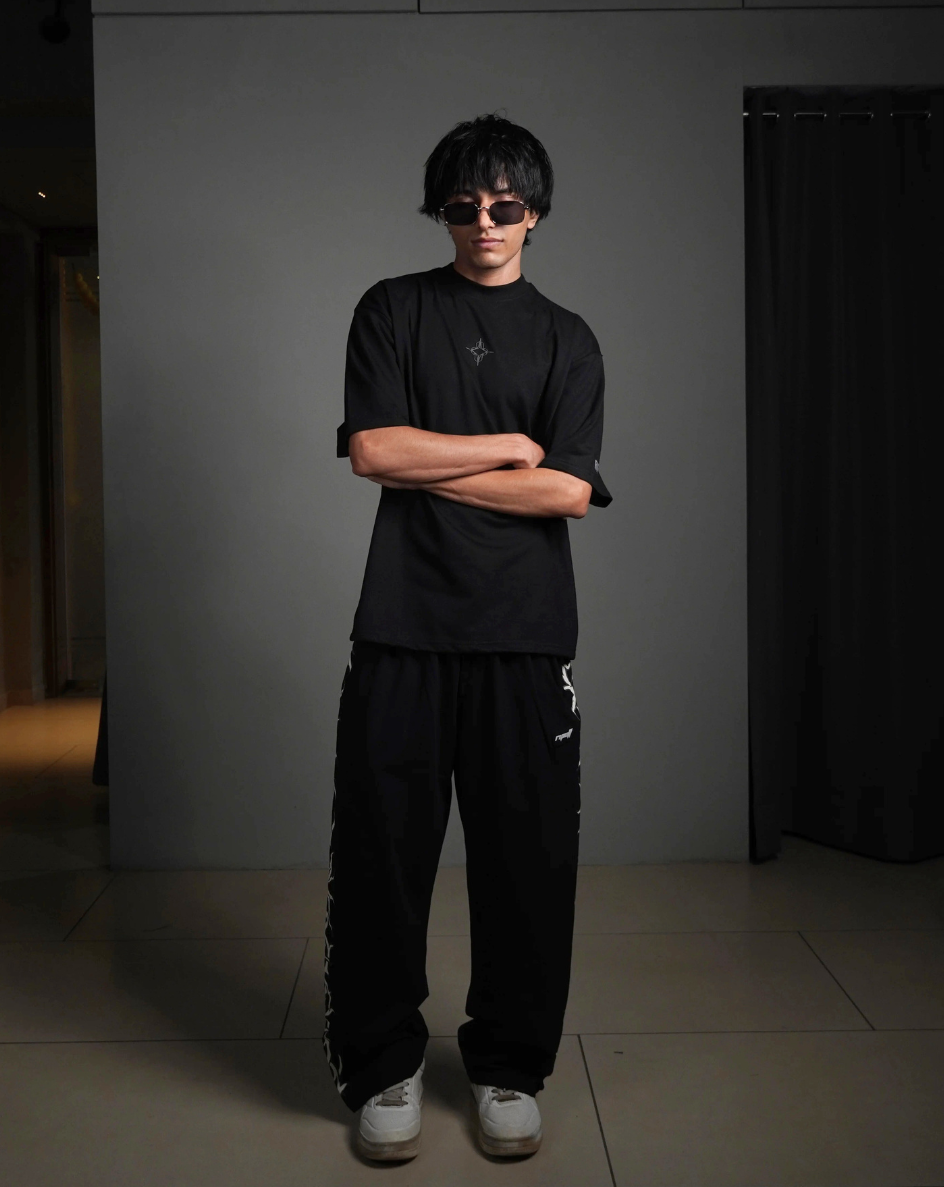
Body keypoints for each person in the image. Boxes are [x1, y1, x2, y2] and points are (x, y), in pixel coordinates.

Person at [324, 112, 612, 1162]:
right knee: (381, 858)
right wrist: (506, 447)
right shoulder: (391, 310)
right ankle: (382, 1067)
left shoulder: (569, 339)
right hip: (402, 628)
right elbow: (372, 453)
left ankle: (509, 1068)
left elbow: (568, 493)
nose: (484, 221)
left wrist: (433, 462)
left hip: (526, 637)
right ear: (440, 212)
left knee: (526, 864)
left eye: (505, 204)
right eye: (463, 205)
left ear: (535, 215)